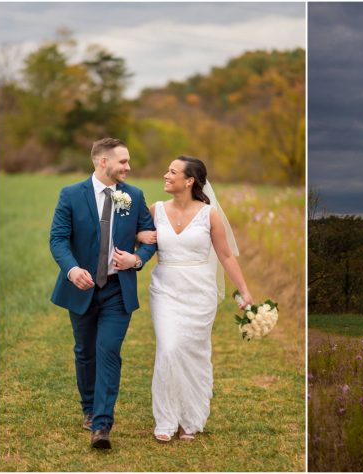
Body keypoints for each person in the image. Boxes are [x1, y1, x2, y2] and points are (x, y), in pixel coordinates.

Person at [49, 138, 157, 449]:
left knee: (108, 351)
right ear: (102, 162)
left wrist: (136, 259)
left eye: (128, 161)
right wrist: (72, 270)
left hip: (116, 289)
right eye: (123, 162)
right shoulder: (70, 195)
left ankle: (102, 424)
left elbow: (150, 238)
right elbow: (58, 239)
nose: (129, 167)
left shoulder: (133, 196)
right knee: (84, 352)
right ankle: (88, 409)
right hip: (81, 286)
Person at [137, 155, 254, 442]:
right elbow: (136, 243)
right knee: (168, 348)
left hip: (200, 291)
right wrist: (140, 235)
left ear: (189, 180)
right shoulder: (155, 210)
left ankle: (190, 418)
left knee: (193, 353)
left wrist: (244, 290)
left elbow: (226, 255)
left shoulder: (209, 214)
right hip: (165, 288)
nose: (166, 175)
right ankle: (165, 419)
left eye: (172, 171)